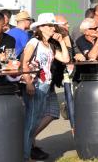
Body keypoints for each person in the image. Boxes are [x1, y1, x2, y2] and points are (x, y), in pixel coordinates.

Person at [20, 14, 70, 162]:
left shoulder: (50, 45)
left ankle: (26, 153)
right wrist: (28, 82)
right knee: (30, 122)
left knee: (34, 121)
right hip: (35, 84)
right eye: (48, 25)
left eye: (52, 25)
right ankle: (25, 155)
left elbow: (66, 59)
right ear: (40, 28)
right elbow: (24, 62)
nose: (52, 28)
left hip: (45, 84)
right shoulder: (34, 42)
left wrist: (61, 42)